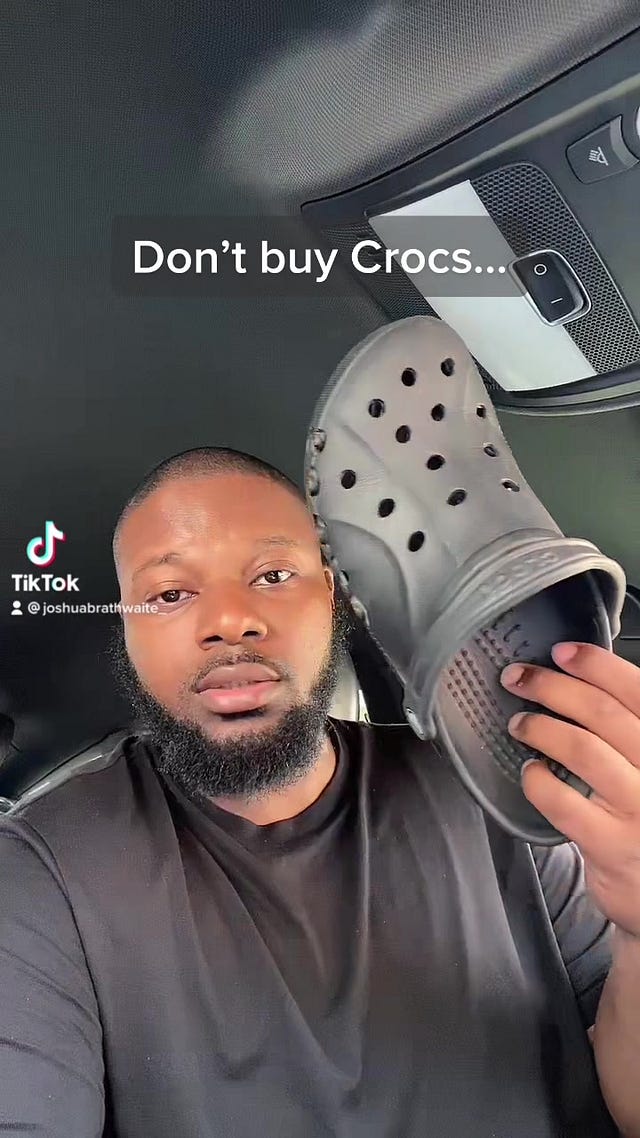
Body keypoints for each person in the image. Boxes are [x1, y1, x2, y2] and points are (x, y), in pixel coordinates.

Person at [1, 445, 639, 1138]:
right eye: (170, 595)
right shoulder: (41, 869)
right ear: (129, 634)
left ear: (333, 596)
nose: (230, 621)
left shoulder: (492, 792)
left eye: (273, 575)